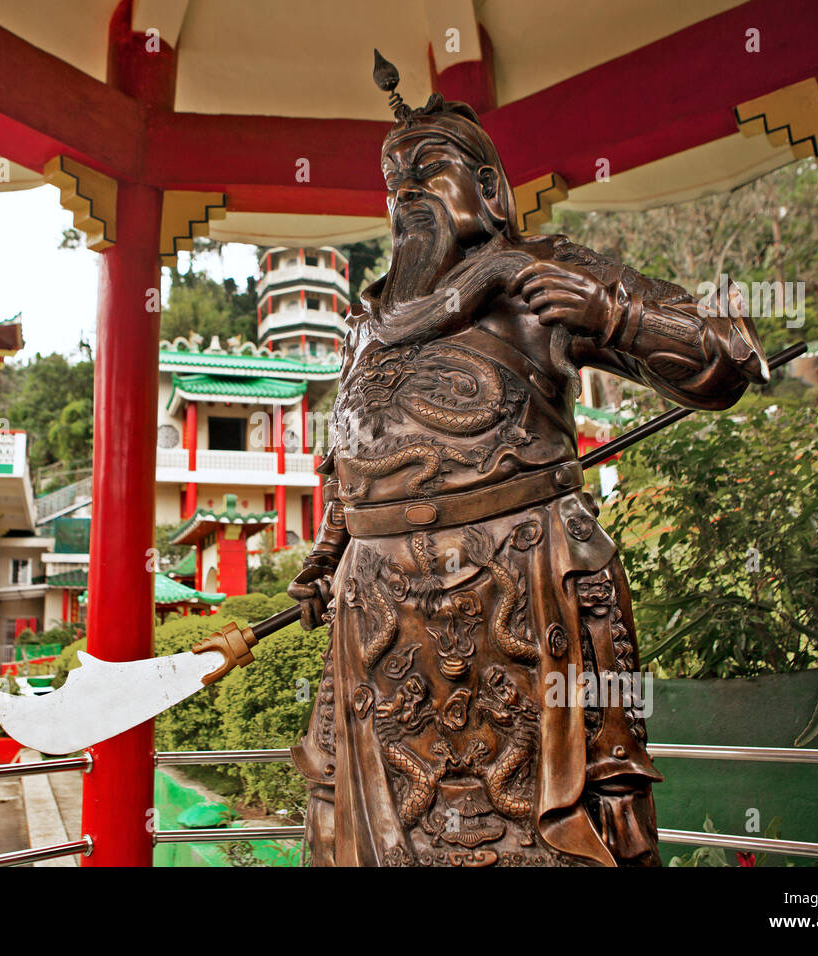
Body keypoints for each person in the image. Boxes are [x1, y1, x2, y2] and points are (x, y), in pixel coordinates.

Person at [286, 54, 767, 867]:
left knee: (562, 834)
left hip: (525, 589)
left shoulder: (544, 273)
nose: (405, 191)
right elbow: (353, 456)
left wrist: (609, 311)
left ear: (490, 188)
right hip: (375, 615)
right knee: (367, 834)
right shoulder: (364, 324)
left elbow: (727, 356)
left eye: (428, 170)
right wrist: (328, 553)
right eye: (393, 178)